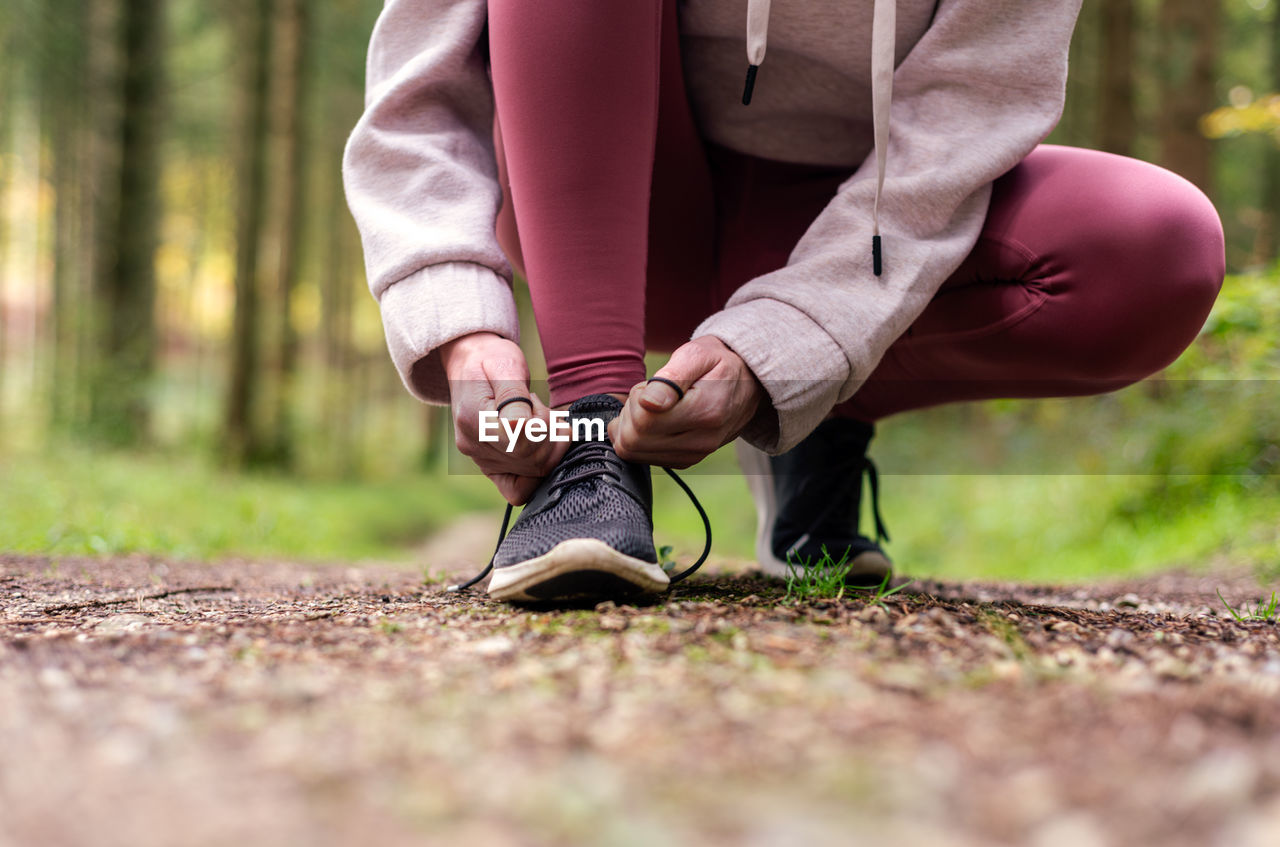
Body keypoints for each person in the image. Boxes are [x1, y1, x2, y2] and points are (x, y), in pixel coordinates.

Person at [343, 0, 1226, 603]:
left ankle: (811, 416)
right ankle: (592, 441)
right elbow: (421, 84)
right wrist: (460, 324)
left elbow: (973, 110)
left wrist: (792, 345)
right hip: (623, 214)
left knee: (1154, 248)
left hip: (876, 226)